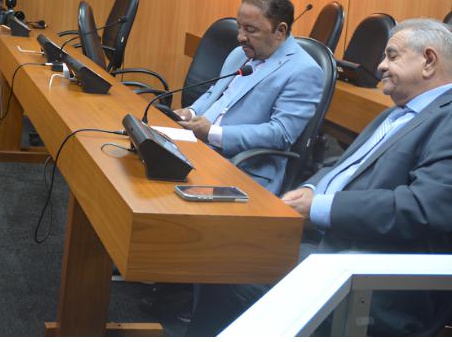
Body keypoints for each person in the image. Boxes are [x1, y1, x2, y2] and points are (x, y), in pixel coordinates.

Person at [188, 18, 452, 336]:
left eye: (392, 56)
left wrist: (319, 207)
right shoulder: (397, 113)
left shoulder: (446, 119)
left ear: (429, 61)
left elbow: (422, 208)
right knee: (220, 243)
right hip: (328, 242)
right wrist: (311, 189)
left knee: (229, 264)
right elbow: (345, 165)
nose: (380, 66)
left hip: (370, 271)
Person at [174, 0, 324, 194]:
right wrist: (191, 112)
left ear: (280, 31)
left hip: (242, 169)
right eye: (240, 27)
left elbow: (280, 133)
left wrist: (212, 133)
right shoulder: (240, 53)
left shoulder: (304, 70)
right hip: (198, 149)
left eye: (251, 30)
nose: (241, 37)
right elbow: (215, 92)